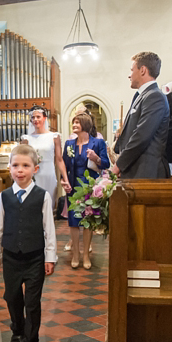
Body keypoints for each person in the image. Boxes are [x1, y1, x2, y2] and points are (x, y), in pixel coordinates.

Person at [0, 144, 56, 342]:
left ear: (35, 168)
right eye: (15, 165)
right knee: (12, 298)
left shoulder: (42, 196)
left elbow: (49, 229)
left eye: (25, 166)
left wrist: (50, 257)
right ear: (9, 168)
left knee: (32, 303)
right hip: (11, 258)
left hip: (35, 257)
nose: (20, 170)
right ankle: (17, 330)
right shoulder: (5, 196)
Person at [111, 52, 170, 178]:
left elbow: (142, 135)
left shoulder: (155, 96)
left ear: (143, 70)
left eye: (132, 70)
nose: (129, 75)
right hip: (136, 169)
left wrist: (118, 166)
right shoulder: (143, 96)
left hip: (147, 171)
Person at [63, 114, 110, 270]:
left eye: (77, 122)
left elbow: (106, 163)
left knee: (88, 221)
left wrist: (96, 158)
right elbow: (64, 165)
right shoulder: (69, 144)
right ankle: (76, 254)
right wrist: (64, 181)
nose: (74, 124)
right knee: (74, 222)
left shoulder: (98, 142)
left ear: (85, 124)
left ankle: (86, 255)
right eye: (73, 122)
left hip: (90, 187)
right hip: (73, 186)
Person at [21, 106, 71, 211]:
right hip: (33, 176)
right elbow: (22, 159)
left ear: (44, 118)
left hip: (49, 175)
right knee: (33, 207)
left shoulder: (54, 137)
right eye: (33, 118)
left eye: (38, 117)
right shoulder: (26, 139)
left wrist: (65, 179)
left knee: (48, 207)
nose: (35, 120)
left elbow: (59, 159)